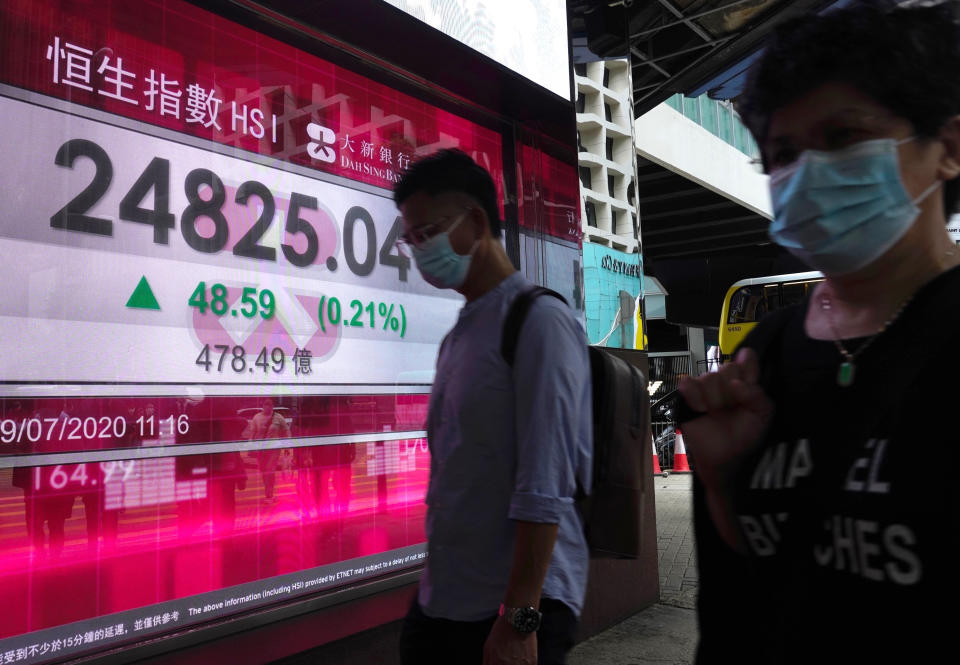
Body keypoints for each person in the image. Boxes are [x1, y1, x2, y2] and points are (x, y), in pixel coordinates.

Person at [676, 3, 960, 663]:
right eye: (782, 153)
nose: (806, 173)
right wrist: (721, 484)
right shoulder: (762, 354)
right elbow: (754, 585)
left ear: (947, 149)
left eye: (842, 137)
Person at [393, 149, 592, 665]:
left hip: (512, 609)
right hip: (446, 600)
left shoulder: (539, 321)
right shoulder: (458, 336)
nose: (418, 251)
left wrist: (520, 617)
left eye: (424, 234)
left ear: (475, 221)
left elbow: (545, 482)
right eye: (410, 239)